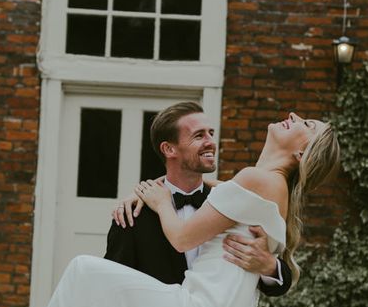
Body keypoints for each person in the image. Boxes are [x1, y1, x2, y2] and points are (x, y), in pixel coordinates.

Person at [35, 110, 340, 307]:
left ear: (302, 152)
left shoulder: (255, 181)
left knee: (81, 271)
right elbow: (224, 189)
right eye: (198, 135)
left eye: (306, 124)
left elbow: (181, 238)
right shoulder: (269, 187)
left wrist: (162, 202)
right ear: (169, 149)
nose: (294, 115)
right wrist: (152, 189)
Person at [105, 101, 291, 295]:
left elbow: (281, 282)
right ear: (169, 149)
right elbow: (112, 284)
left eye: (211, 133)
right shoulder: (133, 215)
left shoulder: (230, 203)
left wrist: (269, 266)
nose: (211, 142)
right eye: (199, 135)